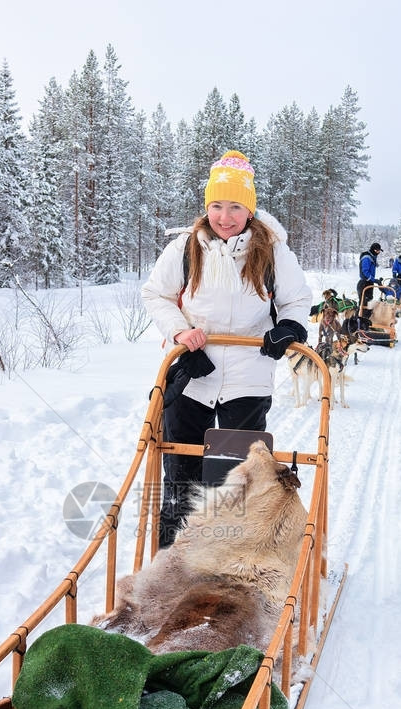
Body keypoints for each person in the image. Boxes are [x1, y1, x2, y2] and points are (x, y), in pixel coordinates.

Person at [141, 149, 312, 548]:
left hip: (247, 378)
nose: (225, 216)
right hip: (192, 375)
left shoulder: (272, 250)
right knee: (181, 473)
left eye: (235, 206)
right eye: (217, 205)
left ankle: (223, 558)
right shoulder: (186, 248)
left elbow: (297, 300)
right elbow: (156, 295)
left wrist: (288, 326)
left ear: (249, 209)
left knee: (233, 476)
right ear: (206, 206)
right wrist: (182, 333)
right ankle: (172, 556)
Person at [357, 242, 383, 310]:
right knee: (364, 304)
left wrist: (375, 280)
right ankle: (359, 318)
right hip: (364, 283)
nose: (378, 252)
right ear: (373, 250)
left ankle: (367, 317)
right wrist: (374, 280)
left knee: (369, 301)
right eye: (377, 251)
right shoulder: (367, 258)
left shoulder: (372, 257)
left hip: (369, 282)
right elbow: (365, 272)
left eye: (379, 251)